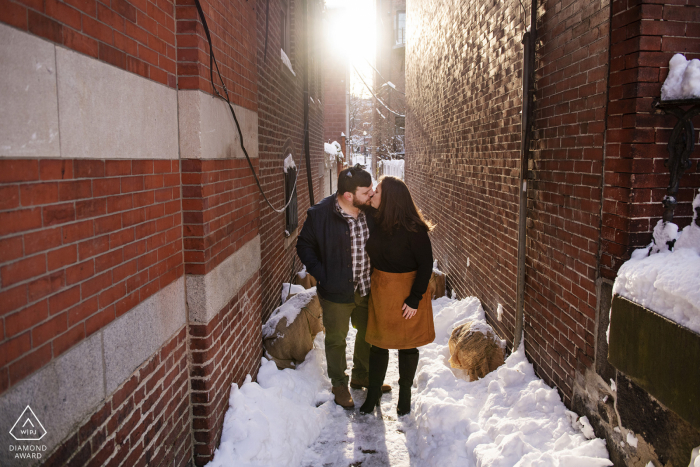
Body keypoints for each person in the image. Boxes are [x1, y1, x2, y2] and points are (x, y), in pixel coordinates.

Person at [296, 165, 391, 409]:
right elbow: (304, 246)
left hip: (366, 287)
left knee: (368, 333)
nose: (371, 195)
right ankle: (339, 383)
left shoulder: (370, 211)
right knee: (336, 339)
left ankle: (362, 374)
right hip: (336, 290)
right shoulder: (320, 214)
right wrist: (322, 274)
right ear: (348, 195)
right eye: (366, 191)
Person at [360, 175, 435, 416]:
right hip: (382, 289)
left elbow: (426, 265)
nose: (373, 194)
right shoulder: (374, 218)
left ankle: (405, 396)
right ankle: (373, 395)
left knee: (407, 345)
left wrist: (414, 299)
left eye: (378, 191)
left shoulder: (415, 230)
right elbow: (348, 200)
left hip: (408, 293)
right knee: (377, 344)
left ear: (390, 198)